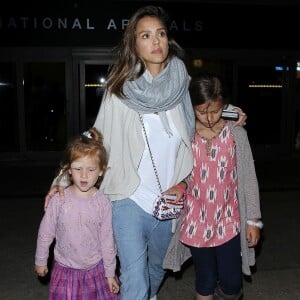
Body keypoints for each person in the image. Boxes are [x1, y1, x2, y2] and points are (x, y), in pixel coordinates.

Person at [44, 6, 247, 300]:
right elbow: (96, 137)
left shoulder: (182, 85)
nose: (156, 41)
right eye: (146, 35)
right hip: (129, 198)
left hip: (169, 201)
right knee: (135, 280)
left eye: (161, 34)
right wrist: (62, 179)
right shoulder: (120, 91)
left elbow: (207, 107)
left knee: (158, 267)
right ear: (135, 45)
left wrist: (232, 113)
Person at [179, 73, 263, 300]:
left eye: (215, 111)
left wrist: (253, 220)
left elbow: (248, 178)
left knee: (232, 284)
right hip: (196, 220)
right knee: (204, 280)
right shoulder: (185, 133)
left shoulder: (236, 133)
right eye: (201, 111)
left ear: (224, 105)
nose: (208, 118)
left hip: (228, 220)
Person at [35, 127, 120, 300]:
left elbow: (107, 241)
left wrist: (110, 273)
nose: (83, 175)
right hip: (64, 270)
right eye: (78, 168)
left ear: (101, 170)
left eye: (91, 169)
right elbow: (45, 233)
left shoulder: (103, 203)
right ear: (68, 169)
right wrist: (41, 260)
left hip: (95, 270)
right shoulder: (59, 200)